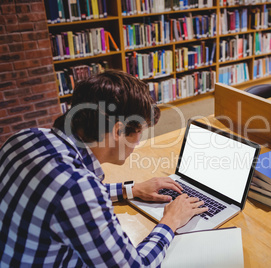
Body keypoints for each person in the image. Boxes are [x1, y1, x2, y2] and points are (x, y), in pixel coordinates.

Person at [0, 70, 208, 267]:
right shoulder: (78, 189)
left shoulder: (25, 137)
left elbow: (60, 197)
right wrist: (171, 221)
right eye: (139, 133)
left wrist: (131, 190)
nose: (137, 143)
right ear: (118, 131)